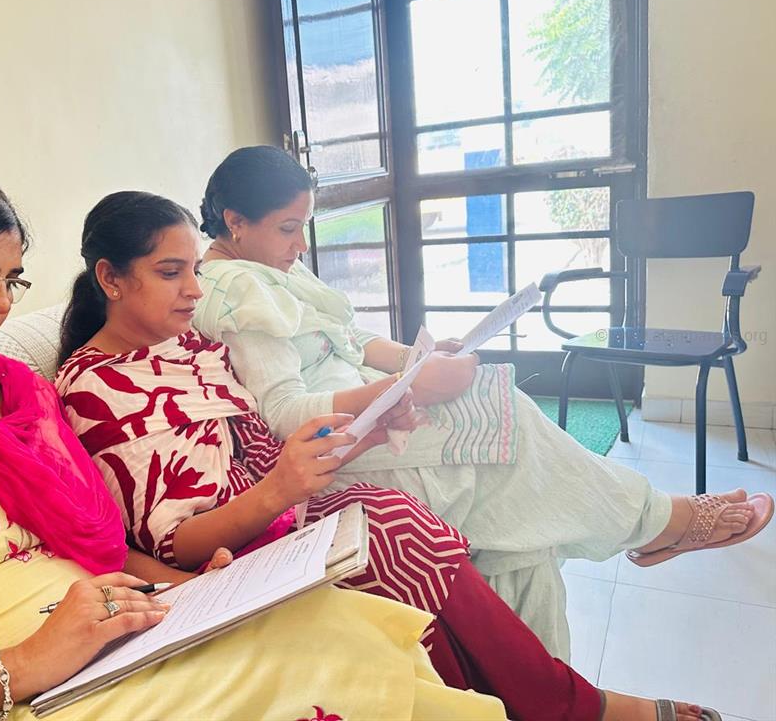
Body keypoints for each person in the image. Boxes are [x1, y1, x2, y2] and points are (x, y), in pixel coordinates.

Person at [0, 163, 508, 721]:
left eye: (11, 281)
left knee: (343, 630)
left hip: (110, 633)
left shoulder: (19, 392)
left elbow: (97, 548)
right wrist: (21, 666)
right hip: (11, 682)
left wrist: (196, 592)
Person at [52, 189, 723, 721]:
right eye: (171, 273)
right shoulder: (96, 389)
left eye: (194, 271)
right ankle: (580, 700)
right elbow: (175, 544)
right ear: (111, 278)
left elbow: (267, 441)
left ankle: (565, 696)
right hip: (234, 547)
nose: (195, 291)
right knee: (394, 525)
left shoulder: (188, 348)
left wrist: (368, 430)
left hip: (285, 498)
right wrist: (281, 488)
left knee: (495, 513)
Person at [191, 145, 774, 660]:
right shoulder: (236, 291)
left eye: (304, 227)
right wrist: (408, 388)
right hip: (347, 444)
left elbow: (348, 339)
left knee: (521, 531)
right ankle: (657, 523)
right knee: (505, 419)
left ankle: (566, 673)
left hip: (376, 411)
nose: (300, 245)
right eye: (289, 228)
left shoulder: (266, 266)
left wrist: (415, 360)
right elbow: (285, 413)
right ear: (236, 222)